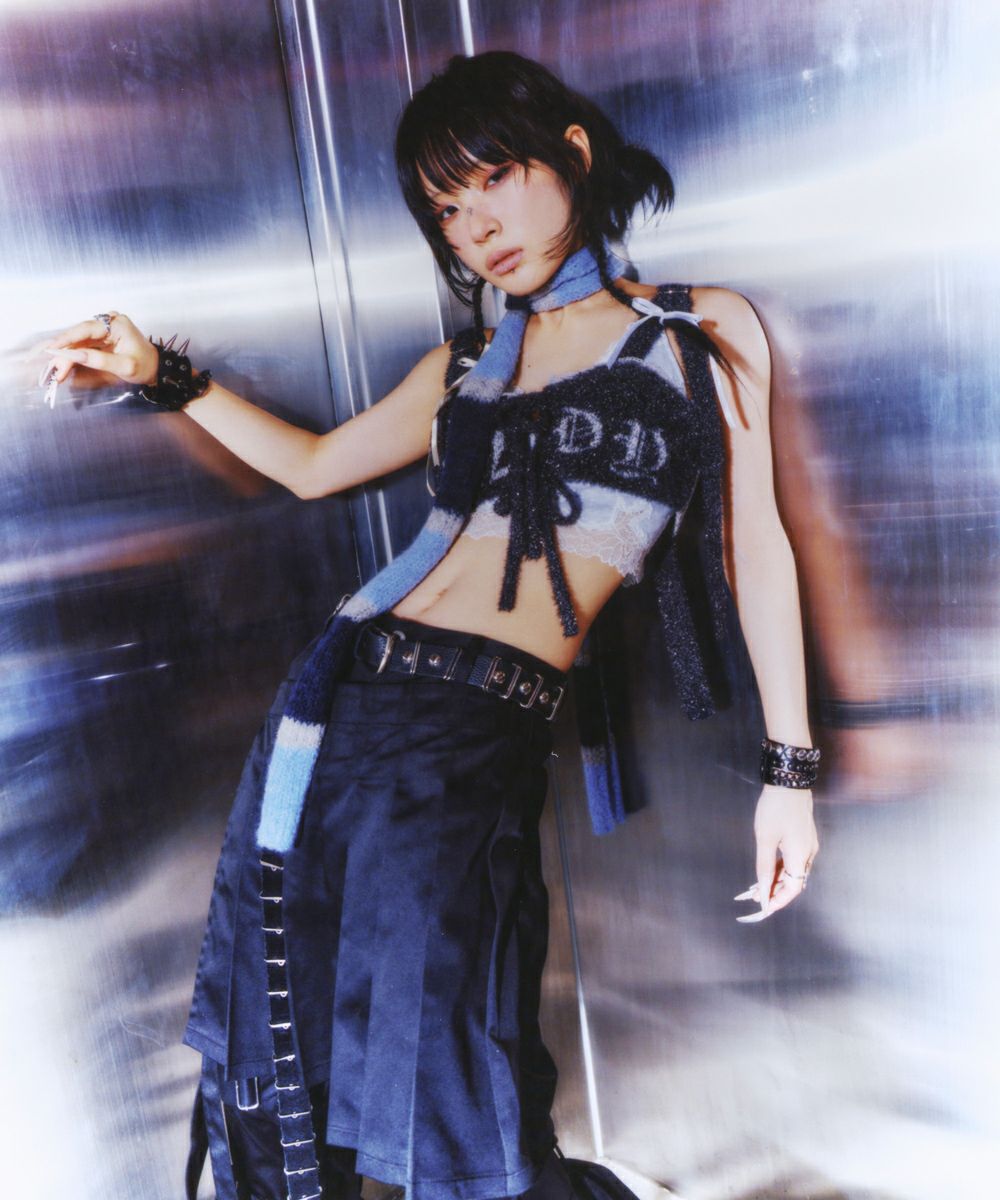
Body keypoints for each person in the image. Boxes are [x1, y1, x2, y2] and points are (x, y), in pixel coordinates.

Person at [38, 50, 819, 1200]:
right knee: (295, 1027)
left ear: (572, 154)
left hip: (476, 729)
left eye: (494, 178)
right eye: (447, 208)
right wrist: (160, 374)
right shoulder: (462, 367)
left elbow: (758, 545)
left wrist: (787, 772)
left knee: (451, 1058)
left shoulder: (697, 330)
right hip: (340, 708)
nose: (476, 226)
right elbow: (314, 468)